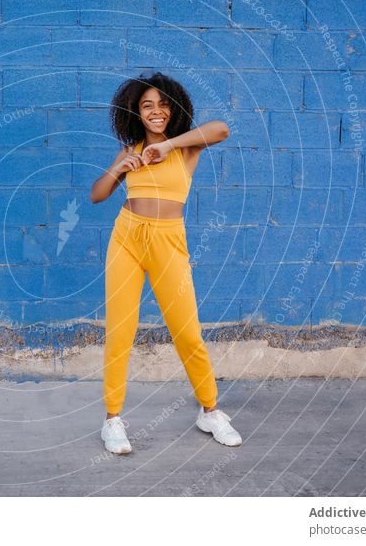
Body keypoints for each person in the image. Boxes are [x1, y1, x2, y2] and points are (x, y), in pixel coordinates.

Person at [90, 71, 242, 454]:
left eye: (162, 104)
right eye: (146, 106)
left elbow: (222, 129)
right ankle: (112, 420)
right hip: (126, 236)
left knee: (187, 330)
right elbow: (97, 195)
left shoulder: (187, 148)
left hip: (168, 240)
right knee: (120, 331)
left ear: (173, 109)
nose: (155, 111)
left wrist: (169, 145)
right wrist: (120, 167)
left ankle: (209, 410)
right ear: (135, 113)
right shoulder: (129, 150)